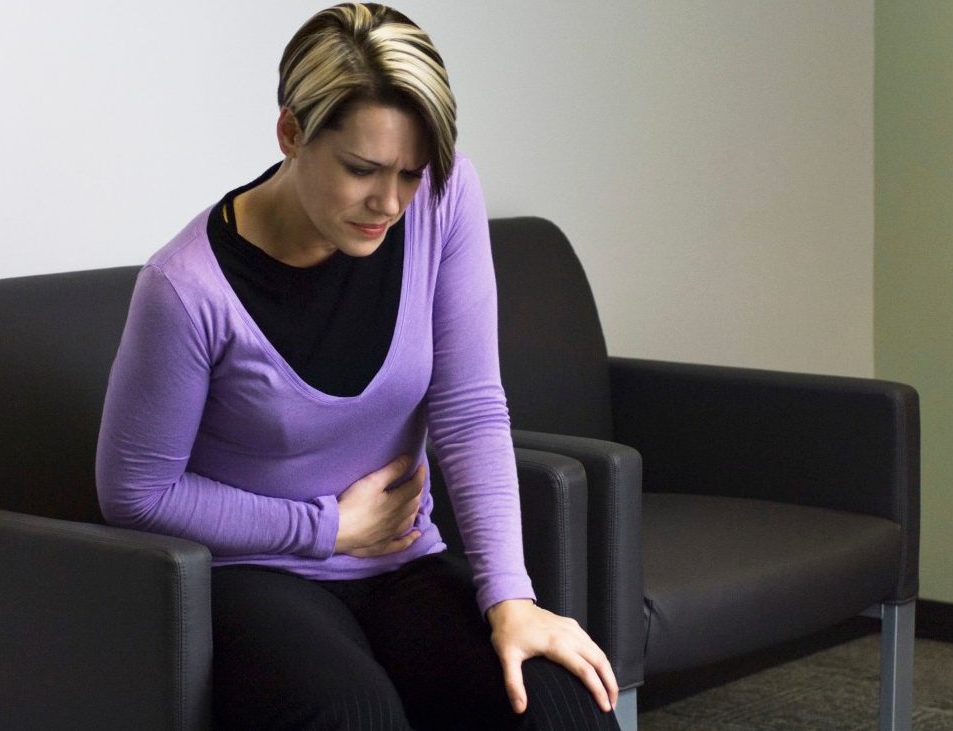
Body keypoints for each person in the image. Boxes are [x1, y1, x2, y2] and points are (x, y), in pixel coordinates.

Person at [96, 4, 620, 729]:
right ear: (291, 134)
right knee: (356, 717)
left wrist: (512, 599)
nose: (391, 202)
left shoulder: (442, 198)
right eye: (362, 170)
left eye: (410, 172)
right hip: (253, 576)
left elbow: (469, 407)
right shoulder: (186, 290)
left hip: (404, 562)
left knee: (557, 706)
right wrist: (326, 528)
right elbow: (135, 492)